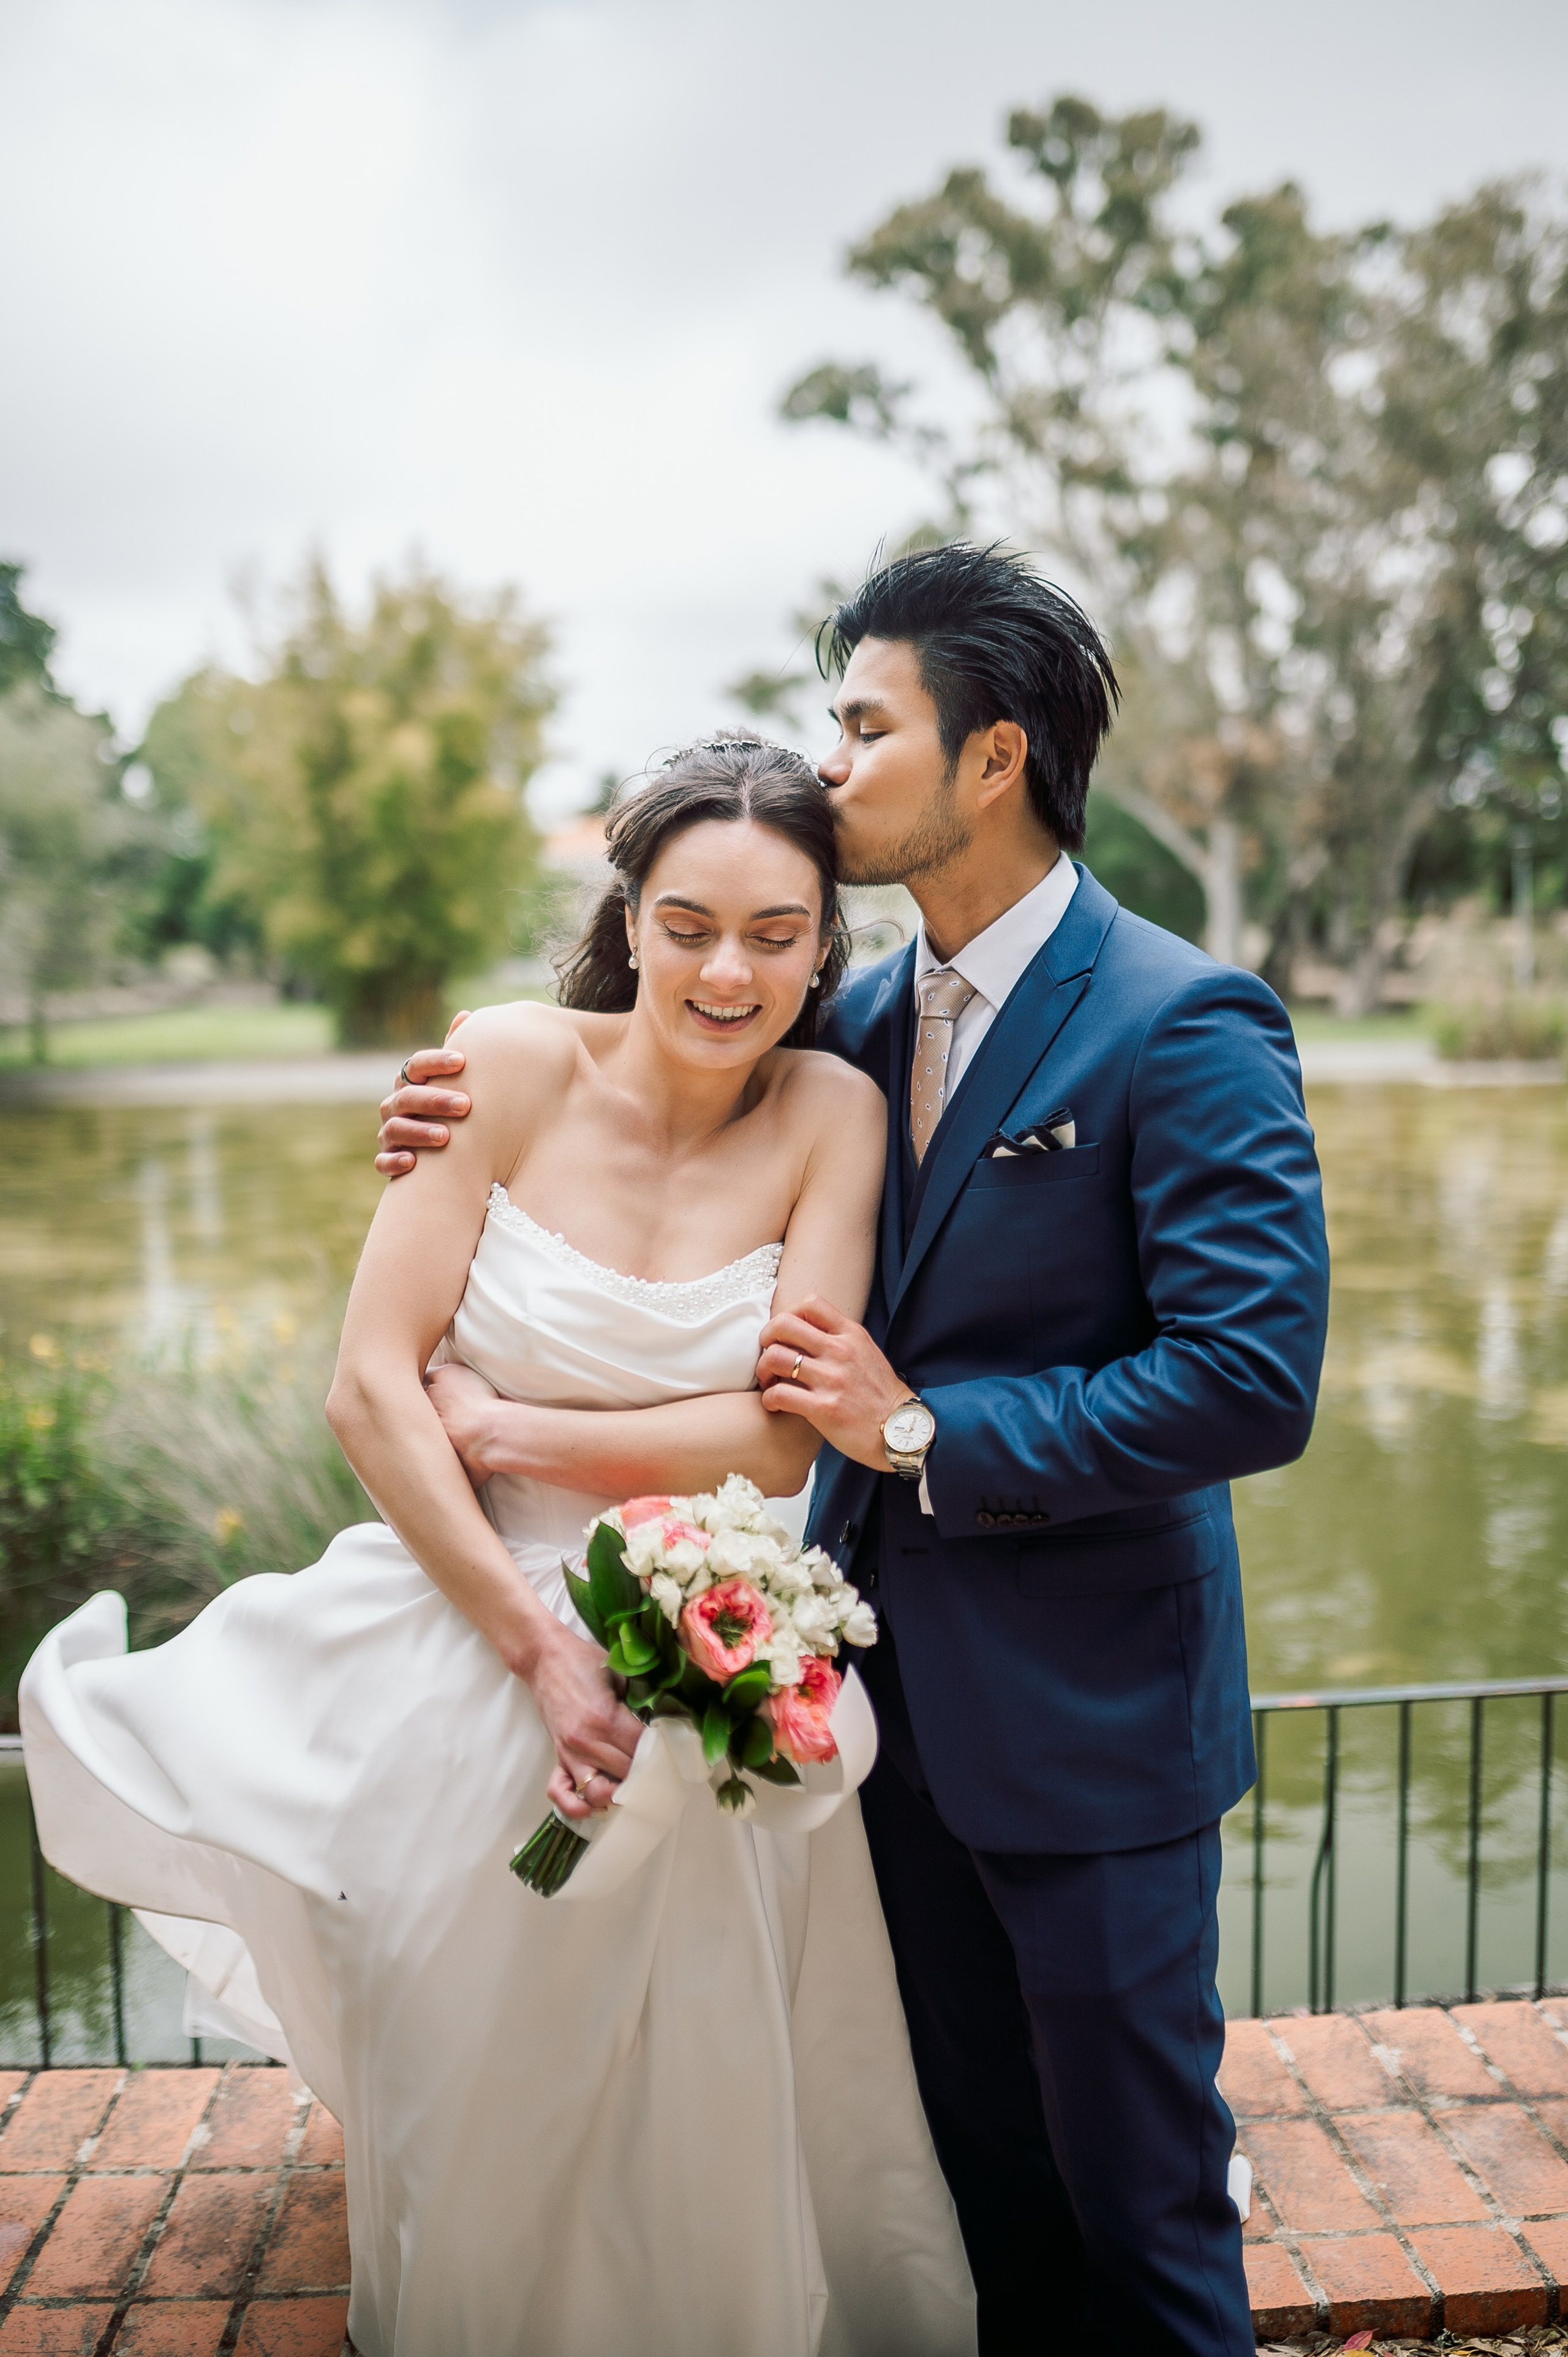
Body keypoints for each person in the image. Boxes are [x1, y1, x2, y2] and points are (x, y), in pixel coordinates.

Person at [380, 543, 1331, 2354]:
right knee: (985, 2199)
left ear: (992, 760)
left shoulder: (1182, 1021)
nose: (829, 767)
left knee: (1141, 2208)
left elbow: (1249, 1378)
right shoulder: (860, 1019)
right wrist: (450, 1109)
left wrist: (919, 1428)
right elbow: (646, 1092)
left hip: (1095, 1739)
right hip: (870, 1748)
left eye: (865, 725)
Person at [21, 741, 978, 2357]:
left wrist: (520, 1432)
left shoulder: (832, 1112)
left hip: (712, 1639)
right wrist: (539, 1648)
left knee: (703, 2062)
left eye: (773, 933)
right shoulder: (508, 1064)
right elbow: (366, 1384)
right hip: (465, 1624)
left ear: (827, 947)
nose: (726, 971)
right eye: (687, 925)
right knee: (475, 2054)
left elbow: (776, 1434)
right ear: (631, 915)